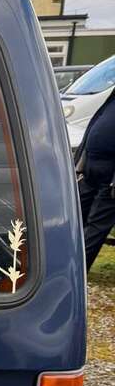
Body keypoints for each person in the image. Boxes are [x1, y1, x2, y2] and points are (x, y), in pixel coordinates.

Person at [76, 87, 115, 270]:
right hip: (90, 167)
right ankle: (59, 263)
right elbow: (95, 124)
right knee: (75, 215)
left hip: (110, 176)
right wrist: (80, 164)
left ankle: (77, 271)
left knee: (95, 228)